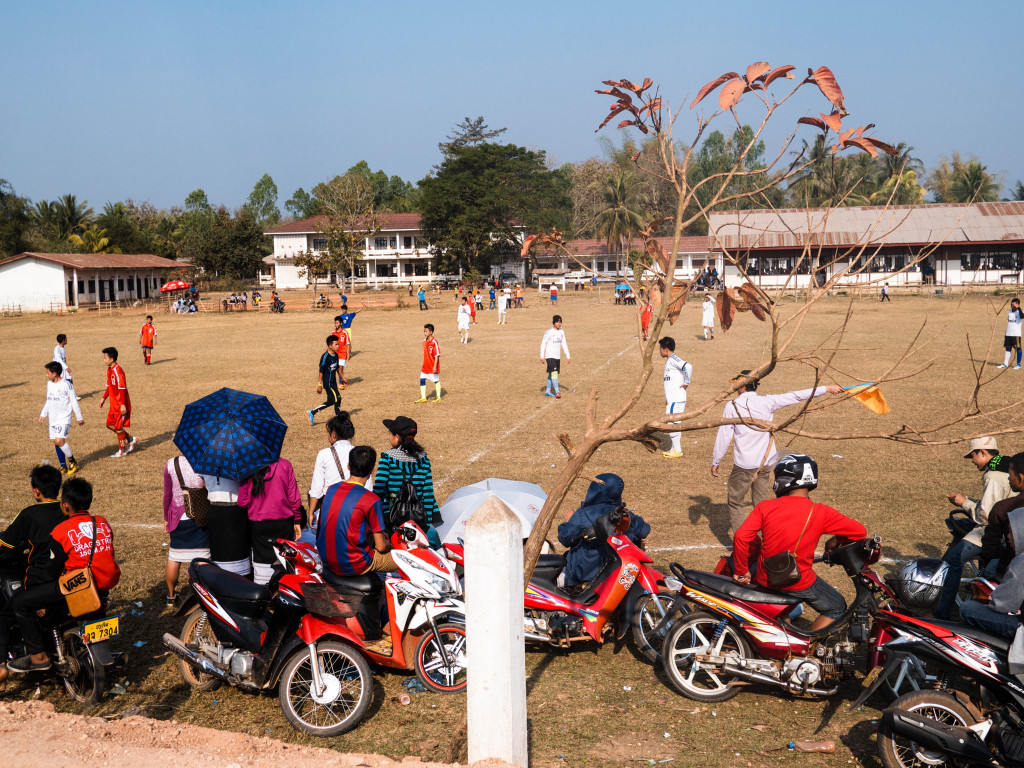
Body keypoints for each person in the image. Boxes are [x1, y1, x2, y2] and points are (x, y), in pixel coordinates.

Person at [733, 454, 866, 631]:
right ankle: (806, 644)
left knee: (782, 607)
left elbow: (741, 536)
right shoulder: (821, 512)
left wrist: (743, 572)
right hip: (799, 581)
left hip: (766, 578)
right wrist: (836, 539)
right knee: (836, 606)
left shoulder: (765, 507)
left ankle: (783, 637)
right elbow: (859, 531)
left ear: (784, 479)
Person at [7, 477, 120, 674]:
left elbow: (50, 570)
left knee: (20, 602)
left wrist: (37, 593)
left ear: (66, 505)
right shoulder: (101, 522)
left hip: (79, 586)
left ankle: (38, 657)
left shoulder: (62, 530)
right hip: (103, 584)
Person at [712, 371, 842, 535]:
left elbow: (725, 435)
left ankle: (745, 542)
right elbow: (796, 396)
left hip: (744, 464)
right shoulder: (767, 401)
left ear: (742, 386)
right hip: (766, 463)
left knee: (735, 502)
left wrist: (716, 461)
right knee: (761, 504)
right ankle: (766, 539)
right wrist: (827, 388)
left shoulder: (732, 405)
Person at [0, 465, 66, 691]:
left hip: (43, 581)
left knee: (7, 613)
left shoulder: (29, 514)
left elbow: (7, 543)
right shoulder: (68, 510)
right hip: (68, 577)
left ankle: (3, 666)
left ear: (36, 490)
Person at [934, 436, 1012, 619]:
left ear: (983, 452)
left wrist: (963, 503)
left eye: (973, 456)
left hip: (993, 532)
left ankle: (943, 613)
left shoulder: (992, 475)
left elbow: (985, 516)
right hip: (1009, 530)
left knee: (953, 560)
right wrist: (968, 501)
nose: (972, 461)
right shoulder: (1006, 467)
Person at [557, 473, 649, 588]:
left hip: (582, 576)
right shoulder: (624, 515)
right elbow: (644, 530)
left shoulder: (582, 514)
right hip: (618, 574)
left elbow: (565, 538)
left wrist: (568, 522)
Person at [317, 445, 395, 576]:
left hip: (325, 559)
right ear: (372, 470)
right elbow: (381, 547)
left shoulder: (331, 489)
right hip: (354, 564)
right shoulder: (371, 500)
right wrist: (390, 546)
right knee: (407, 561)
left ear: (348, 466)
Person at [960, 508, 1024, 638]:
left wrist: (993, 598)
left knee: (967, 608)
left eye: (1012, 532)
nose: (1009, 537)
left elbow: (1003, 606)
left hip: (1020, 630)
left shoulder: (1021, 562)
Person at [238, 458, 302, 585]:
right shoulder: (285, 465)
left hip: (259, 526)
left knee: (261, 565)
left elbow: (242, 501)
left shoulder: (248, 468)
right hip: (284, 524)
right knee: (284, 562)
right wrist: (297, 520)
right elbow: (294, 499)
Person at [374, 416, 441, 534]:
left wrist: (383, 516)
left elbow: (379, 490)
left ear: (397, 437)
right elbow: (428, 493)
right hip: (418, 521)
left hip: (392, 520)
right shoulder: (424, 459)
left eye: (390, 433)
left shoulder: (387, 458)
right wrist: (426, 523)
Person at [163, 454, 211, 606]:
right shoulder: (204, 462)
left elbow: (167, 495)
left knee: (174, 557)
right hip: (200, 516)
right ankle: (203, 595)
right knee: (203, 557)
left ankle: (171, 596)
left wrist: (166, 517)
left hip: (178, 517)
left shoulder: (171, 463)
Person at [308, 412, 362, 531]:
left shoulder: (324, 454)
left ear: (333, 434)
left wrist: (311, 511)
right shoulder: (359, 453)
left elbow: (317, 487)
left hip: (330, 507)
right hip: (354, 506)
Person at [980, 452, 1024, 578]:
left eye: (1010, 475)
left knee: (989, 573)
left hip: (1012, 572)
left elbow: (990, 548)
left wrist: (1004, 553)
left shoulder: (1003, 507)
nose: (1009, 479)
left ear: (1020, 478)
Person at [198, 471, 250, 576]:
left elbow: (203, 482)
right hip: (233, 507)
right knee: (231, 549)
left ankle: (223, 576)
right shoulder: (235, 460)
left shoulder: (207, 460)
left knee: (226, 548)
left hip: (217, 507)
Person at [40, 361, 83, 475]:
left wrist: (79, 417)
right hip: (53, 418)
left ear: (54, 373)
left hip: (64, 418)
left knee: (59, 440)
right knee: (56, 441)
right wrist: (43, 414)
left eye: (48, 373)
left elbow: (73, 400)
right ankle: (63, 466)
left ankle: (72, 461)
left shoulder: (66, 384)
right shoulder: (49, 384)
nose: (46, 375)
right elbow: (49, 400)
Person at [98, 347, 136, 458]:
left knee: (118, 428)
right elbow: (109, 386)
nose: (104, 360)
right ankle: (130, 439)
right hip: (113, 405)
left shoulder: (118, 371)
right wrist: (103, 398)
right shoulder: (109, 369)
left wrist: (123, 405)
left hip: (120, 405)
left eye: (105, 358)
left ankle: (122, 450)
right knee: (110, 425)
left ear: (112, 358)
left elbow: (122, 388)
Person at [659, 338, 692, 459]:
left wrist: (687, 382)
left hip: (676, 398)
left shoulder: (673, 359)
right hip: (672, 399)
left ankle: (677, 450)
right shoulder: (669, 361)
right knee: (674, 422)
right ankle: (674, 448)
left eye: (660, 349)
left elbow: (688, 366)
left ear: (666, 349)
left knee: (673, 423)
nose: (660, 351)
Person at [308, 336, 342, 426]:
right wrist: (319, 384)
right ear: (330, 346)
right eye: (336, 344)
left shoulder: (336, 355)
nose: (338, 346)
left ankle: (312, 412)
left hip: (334, 383)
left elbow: (337, 368)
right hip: (328, 383)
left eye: (338, 344)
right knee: (337, 399)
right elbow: (321, 371)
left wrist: (342, 377)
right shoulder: (325, 356)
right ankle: (339, 418)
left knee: (331, 401)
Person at [540, 315, 571, 399]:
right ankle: (557, 391)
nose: (559, 324)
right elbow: (543, 343)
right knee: (554, 373)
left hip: (557, 356)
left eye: (560, 322)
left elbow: (564, 344)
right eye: (557, 322)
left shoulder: (562, 332)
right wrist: (542, 356)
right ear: (554, 323)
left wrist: (568, 356)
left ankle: (548, 391)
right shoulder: (549, 332)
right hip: (549, 356)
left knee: (552, 373)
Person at [417, 324, 442, 403]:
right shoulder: (424, 341)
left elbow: (437, 355)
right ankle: (423, 397)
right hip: (425, 365)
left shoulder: (434, 342)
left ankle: (438, 397)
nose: (424, 333)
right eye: (424, 331)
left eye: (426, 331)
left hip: (432, 365)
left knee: (435, 380)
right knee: (422, 379)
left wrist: (435, 367)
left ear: (431, 332)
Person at [997, 296, 1022, 369]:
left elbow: (1022, 316)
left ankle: (1018, 364)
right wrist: (1006, 333)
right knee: (1008, 348)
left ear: (1017, 305)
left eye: (1013, 305)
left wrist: (1019, 308)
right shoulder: (1009, 312)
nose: (1012, 306)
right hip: (1008, 334)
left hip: (1016, 334)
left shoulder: (1020, 312)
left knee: (1018, 348)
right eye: (1011, 305)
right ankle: (1005, 363)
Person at [53, 334, 78, 400]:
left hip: (63, 367)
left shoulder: (62, 347)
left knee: (69, 380)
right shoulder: (57, 349)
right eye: (66, 339)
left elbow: (62, 358)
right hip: (59, 368)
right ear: (63, 341)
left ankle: (72, 396)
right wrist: (66, 367)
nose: (67, 340)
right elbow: (59, 359)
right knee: (61, 381)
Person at [329, 317, 352, 388]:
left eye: (337, 323)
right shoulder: (333, 332)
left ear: (341, 323)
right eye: (335, 323)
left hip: (342, 353)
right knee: (336, 369)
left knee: (340, 368)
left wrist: (348, 353)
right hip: (335, 353)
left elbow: (348, 344)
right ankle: (343, 380)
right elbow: (329, 343)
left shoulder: (345, 332)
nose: (336, 324)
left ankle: (340, 384)